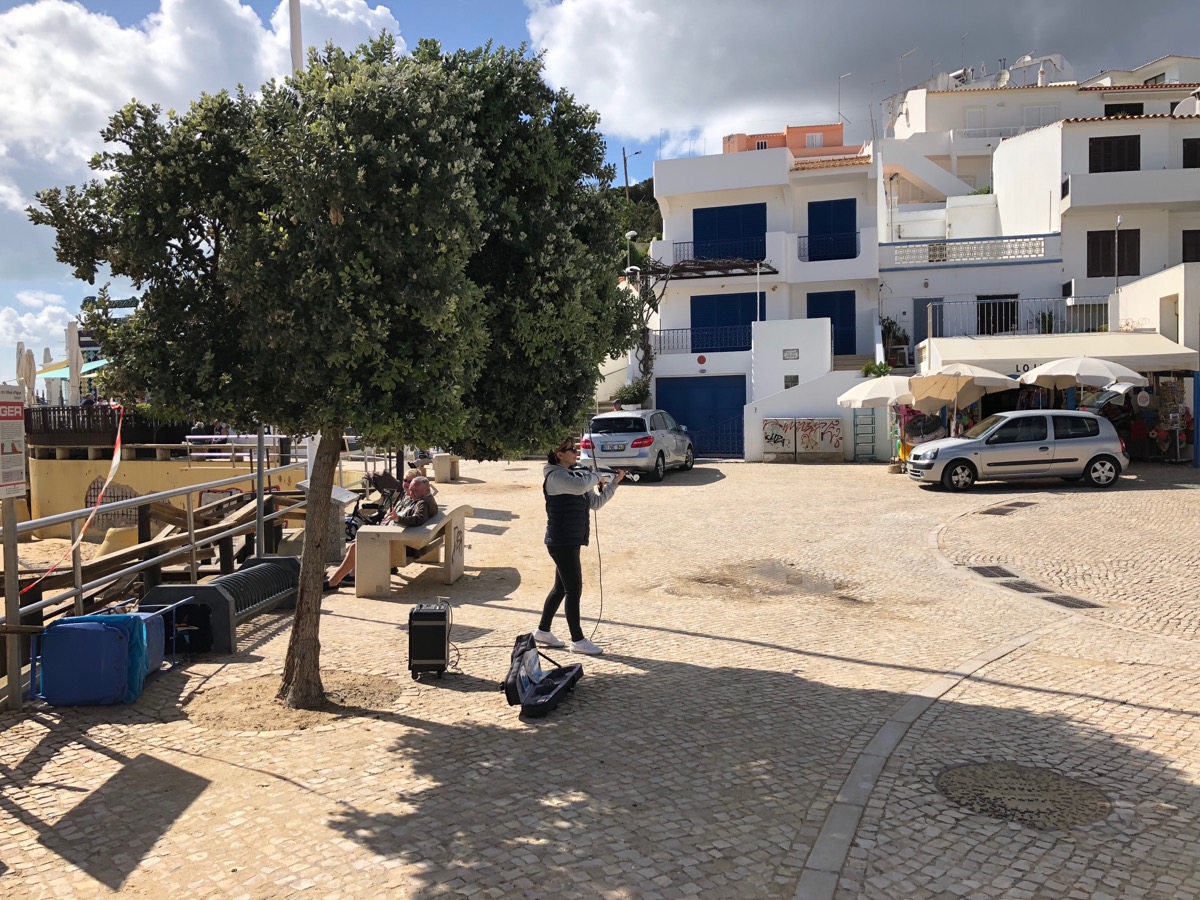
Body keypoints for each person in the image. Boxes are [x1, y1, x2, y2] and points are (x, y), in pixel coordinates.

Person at [534, 438, 625, 655]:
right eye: (571, 450)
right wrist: (595, 475)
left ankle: (542, 631)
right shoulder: (555, 477)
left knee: (560, 588)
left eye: (575, 449)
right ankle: (577, 640)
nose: (576, 453)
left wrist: (613, 484)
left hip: (571, 539)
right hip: (561, 540)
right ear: (559, 455)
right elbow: (580, 486)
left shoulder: (577, 475)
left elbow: (595, 503)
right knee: (574, 589)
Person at [327, 475, 438, 588]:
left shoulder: (423, 503)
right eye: (411, 489)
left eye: (415, 490)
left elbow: (418, 519)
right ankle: (346, 576)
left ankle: (334, 581)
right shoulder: (424, 499)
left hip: (403, 546)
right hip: (403, 541)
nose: (412, 492)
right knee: (358, 542)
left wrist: (398, 519)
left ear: (426, 490)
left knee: (356, 546)